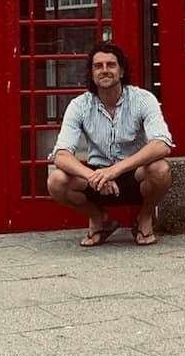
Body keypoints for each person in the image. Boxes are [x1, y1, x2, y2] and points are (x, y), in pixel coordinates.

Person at [47, 42, 174, 247]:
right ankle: (99, 218)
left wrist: (114, 171)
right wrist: (94, 176)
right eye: (98, 66)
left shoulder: (143, 99)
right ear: (91, 73)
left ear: (121, 71)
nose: (104, 70)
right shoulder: (79, 105)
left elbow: (162, 144)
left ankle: (145, 216)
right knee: (56, 181)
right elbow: (61, 154)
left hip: (134, 173)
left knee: (160, 169)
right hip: (97, 178)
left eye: (111, 65)